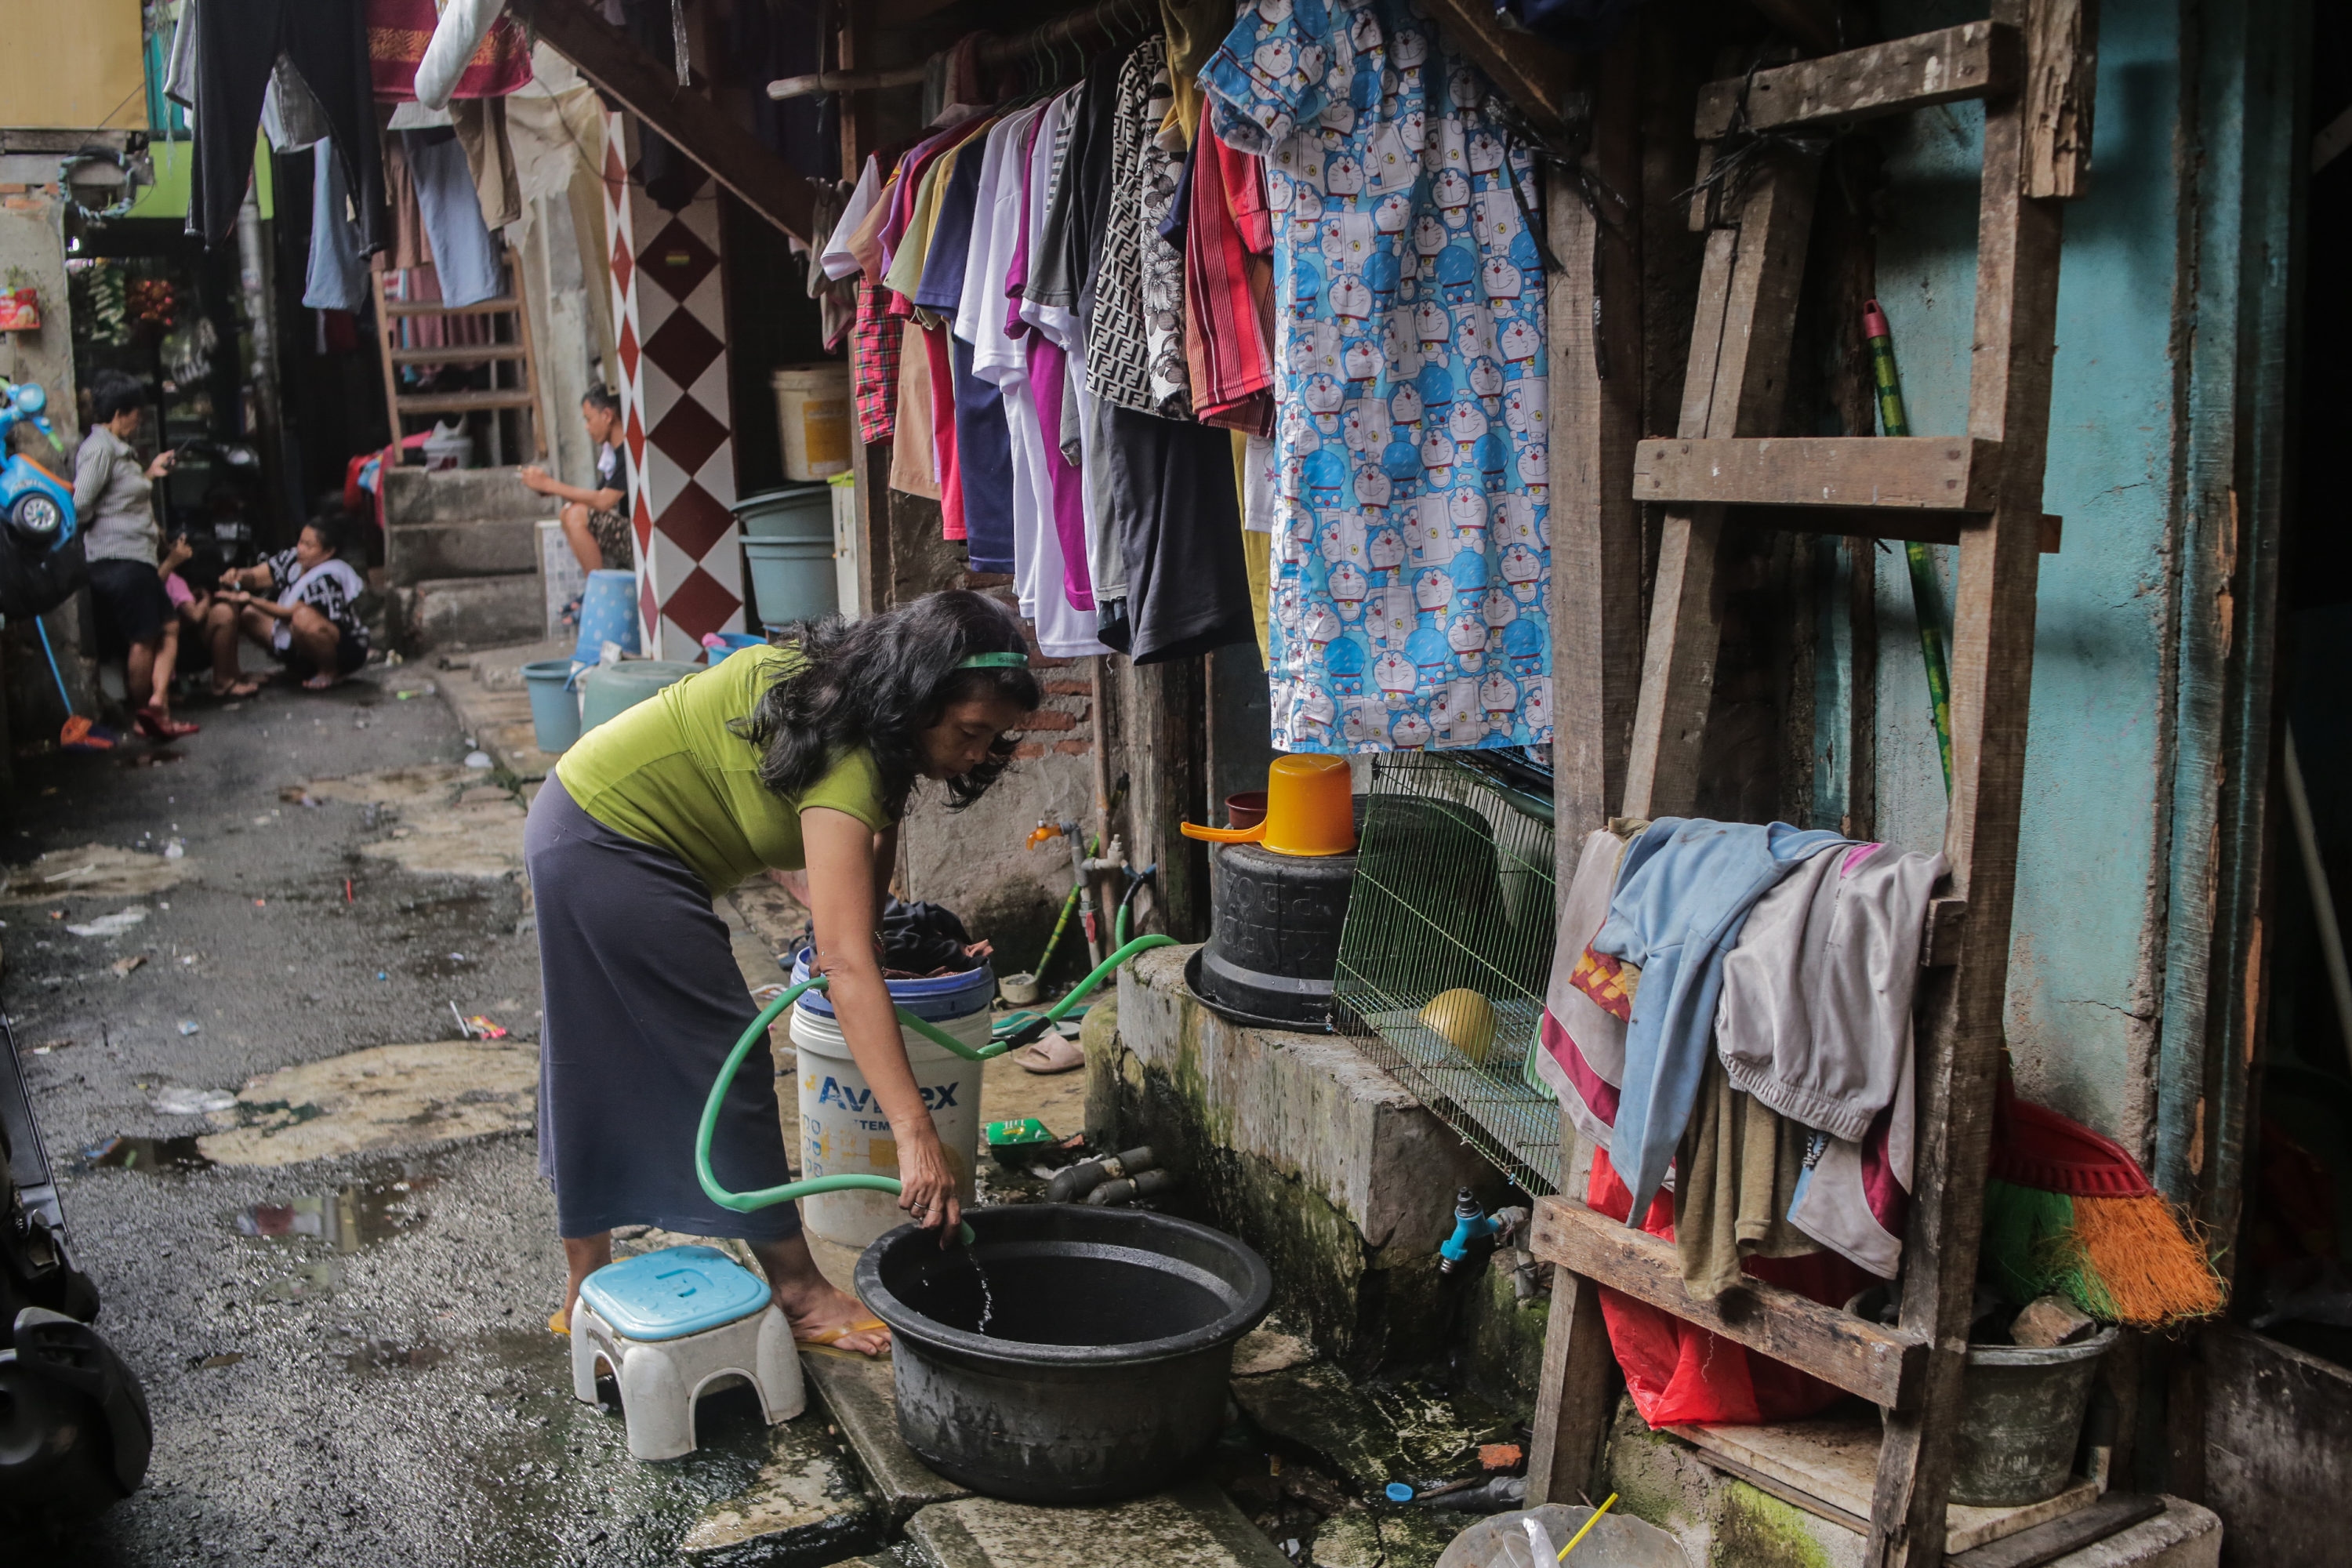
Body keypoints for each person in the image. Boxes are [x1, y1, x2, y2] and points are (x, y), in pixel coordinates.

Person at [525, 590, 1040, 1355]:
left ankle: (582, 1288)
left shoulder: (856, 692)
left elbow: (865, 876)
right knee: (720, 1059)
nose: (977, 754)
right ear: (921, 697)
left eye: (994, 737)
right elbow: (843, 960)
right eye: (970, 731)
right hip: (608, 844)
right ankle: (800, 1292)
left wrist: (862, 948)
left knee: (588, 1054)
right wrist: (914, 1131)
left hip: (578, 819)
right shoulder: (853, 748)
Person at [74, 371, 196, 739]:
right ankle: (147, 714)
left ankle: (157, 702)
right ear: (118, 412)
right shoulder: (100, 448)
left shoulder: (118, 451)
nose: (139, 420)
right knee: (144, 637)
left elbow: (116, 495)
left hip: (134, 558)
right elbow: (81, 503)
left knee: (168, 626)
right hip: (120, 559)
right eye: (135, 413)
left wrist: (150, 474)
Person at [208, 507, 371, 691]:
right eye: (301, 541)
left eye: (309, 546)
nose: (301, 549)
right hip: (296, 644)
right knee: (248, 615)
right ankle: (284, 668)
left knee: (301, 619)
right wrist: (238, 576)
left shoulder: (330, 575)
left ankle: (329, 671)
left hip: (342, 649)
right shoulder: (294, 559)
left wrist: (251, 600)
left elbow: (290, 614)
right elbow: (257, 576)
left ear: (328, 552)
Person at [520, 386, 632, 574]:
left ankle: (598, 588)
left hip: (643, 537)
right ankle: (595, 585)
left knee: (577, 515)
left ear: (606, 415)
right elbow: (597, 500)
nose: (587, 427)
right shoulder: (611, 454)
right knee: (568, 512)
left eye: (589, 419)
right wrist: (551, 489)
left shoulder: (628, 452)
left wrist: (550, 484)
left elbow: (604, 501)